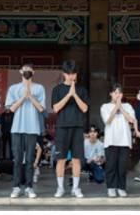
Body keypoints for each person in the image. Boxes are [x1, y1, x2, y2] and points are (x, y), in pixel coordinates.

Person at [5, 64, 46, 199]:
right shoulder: (13, 88)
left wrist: (30, 96)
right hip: (17, 128)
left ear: (33, 72)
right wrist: (23, 97)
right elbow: (11, 109)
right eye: (24, 70)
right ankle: (16, 187)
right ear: (20, 72)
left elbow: (41, 109)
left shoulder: (39, 88)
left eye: (29, 70)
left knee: (29, 159)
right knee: (17, 159)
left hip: (32, 128)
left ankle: (29, 187)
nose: (27, 72)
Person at [51, 60, 89, 198]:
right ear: (64, 74)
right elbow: (55, 108)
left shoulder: (82, 90)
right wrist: (68, 95)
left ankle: (76, 188)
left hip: (77, 127)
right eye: (69, 74)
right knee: (61, 159)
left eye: (74, 73)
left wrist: (74, 94)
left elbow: (84, 108)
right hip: (62, 127)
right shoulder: (57, 89)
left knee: (76, 159)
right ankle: (60, 188)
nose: (72, 76)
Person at [100, 83, 137, 197]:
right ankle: (111, 187)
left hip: (124, 141)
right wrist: (116, 107)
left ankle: (121, 187)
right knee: (111, 166)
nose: (118, 95)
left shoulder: (128, 106)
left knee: (122, 166)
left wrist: (121, 107)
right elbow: (108, 120)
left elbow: (131, 120)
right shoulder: (105, 106)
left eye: (120, 93)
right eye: (115, 92)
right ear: (111, 93)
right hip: (111, 140)